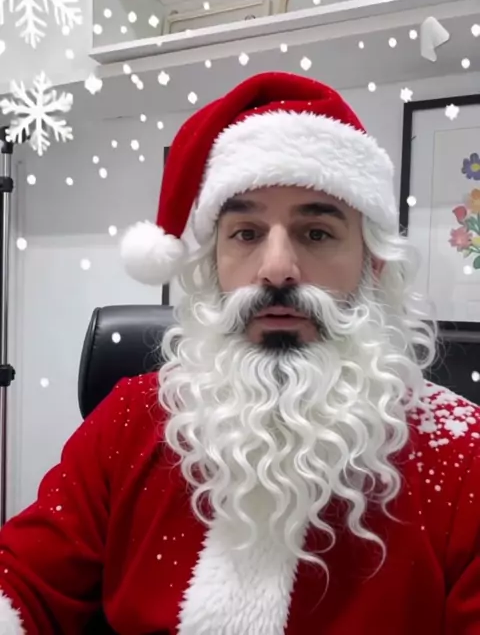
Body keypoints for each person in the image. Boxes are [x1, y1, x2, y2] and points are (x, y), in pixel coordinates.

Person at [0, 71, 479, 635]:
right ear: (214, 266)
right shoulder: (132, 417)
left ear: (372, 265)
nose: (276, 269)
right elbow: (23, 581)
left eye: (317, 233)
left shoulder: (464, 455)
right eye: (247, 234)